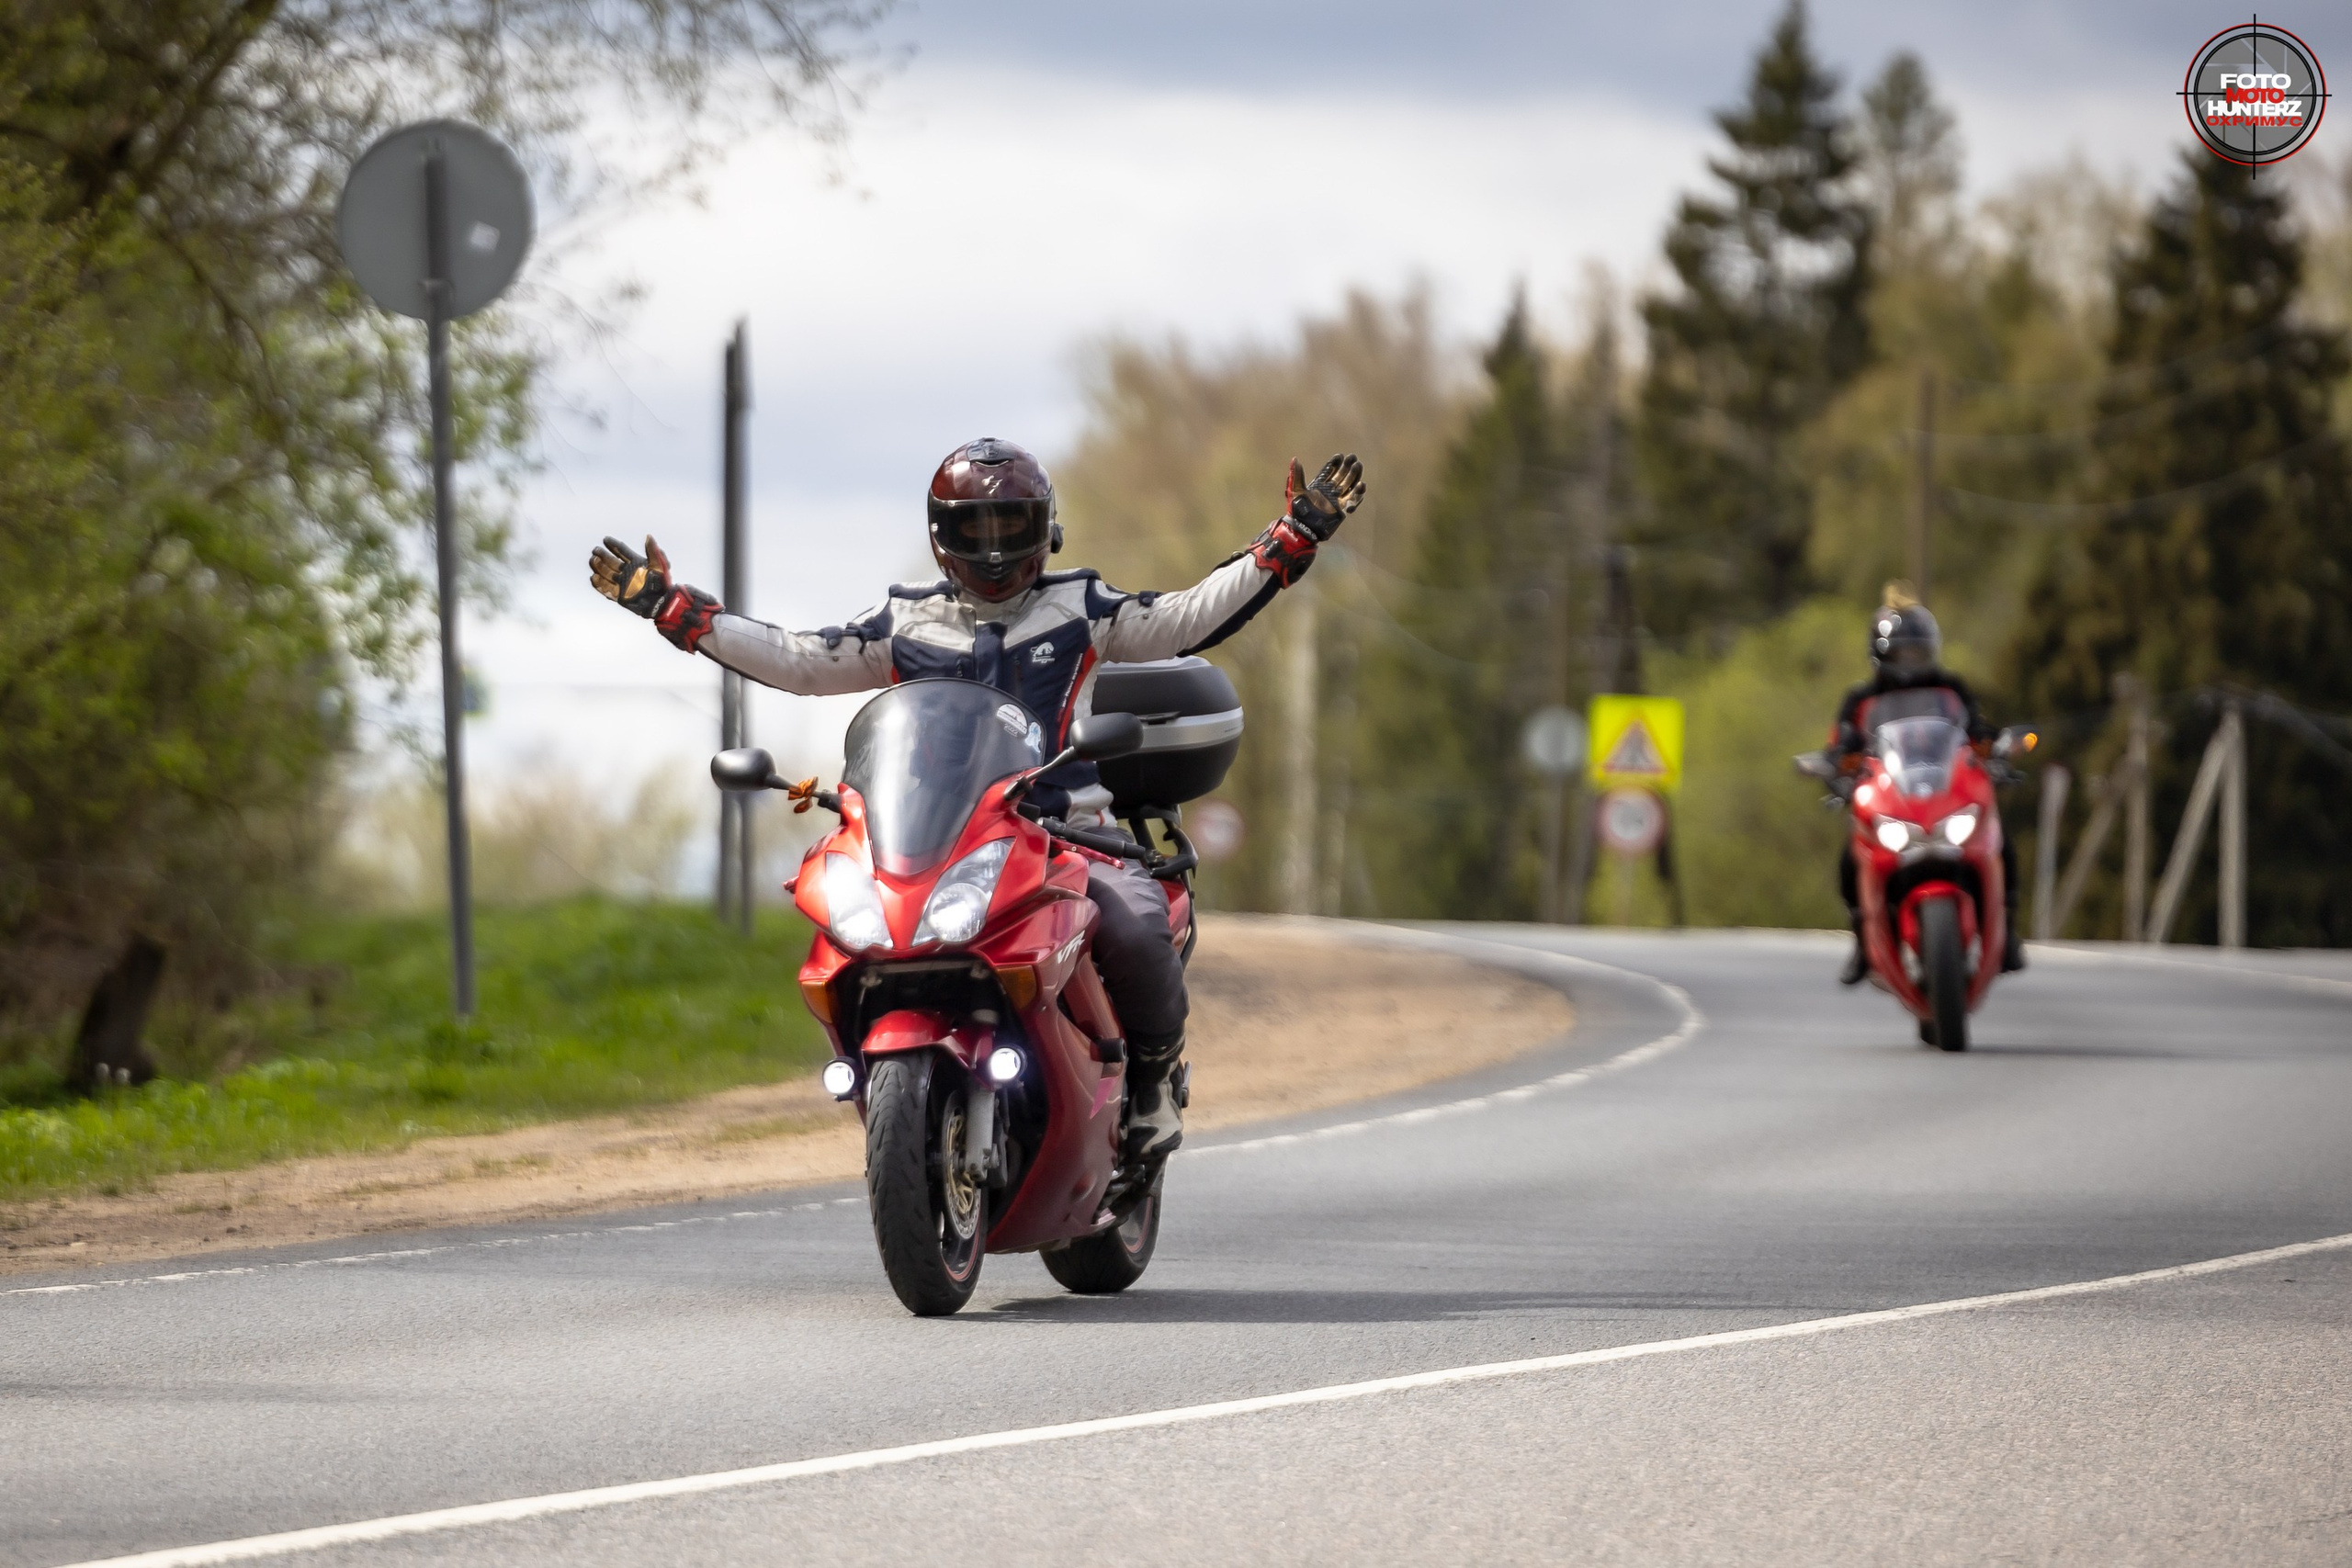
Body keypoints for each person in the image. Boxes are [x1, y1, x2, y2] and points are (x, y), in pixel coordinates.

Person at [590, 437, 1365, 1160]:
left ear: (1047, 529)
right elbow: (796, 659)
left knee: (1133, 923)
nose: (994, 547)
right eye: (974, 526)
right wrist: (677, 609)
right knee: (846, 918)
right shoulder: (901, 622)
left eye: (1011, 523)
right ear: (939, 538)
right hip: (937, 841)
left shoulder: (1085, 608)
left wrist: (1289, 540)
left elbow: (1187, 618)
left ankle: (1155, 1079)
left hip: (1068, 833)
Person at [1830, 586, 2025, 986]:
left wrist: (1995, 751)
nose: (1909, 662)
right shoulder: (1862, 699)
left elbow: (1977, 731)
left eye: (1916, 653)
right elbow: (1841, 745)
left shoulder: (1950, 690)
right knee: (1851, 859)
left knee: (2001, 845)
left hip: (1946, 792)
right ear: (1881, 654)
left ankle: (2008, 932)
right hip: (1889, 795)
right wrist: (1838, 768)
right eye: (1901, 653)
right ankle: (1862, 943)